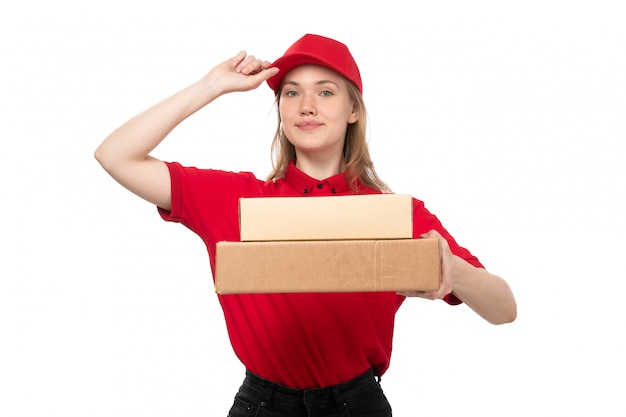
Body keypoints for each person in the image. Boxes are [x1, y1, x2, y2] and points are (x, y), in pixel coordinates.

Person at [95, 33, 517, 417]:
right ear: (280, 110)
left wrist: (451, 271)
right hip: (262, 405)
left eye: (325, 91)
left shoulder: (393, 214)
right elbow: (115, 155)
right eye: (291, 92)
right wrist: (212, 86)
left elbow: (504, 309)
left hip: (357, 406)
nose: (306, 105)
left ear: (354, 109)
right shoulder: (236, 201)